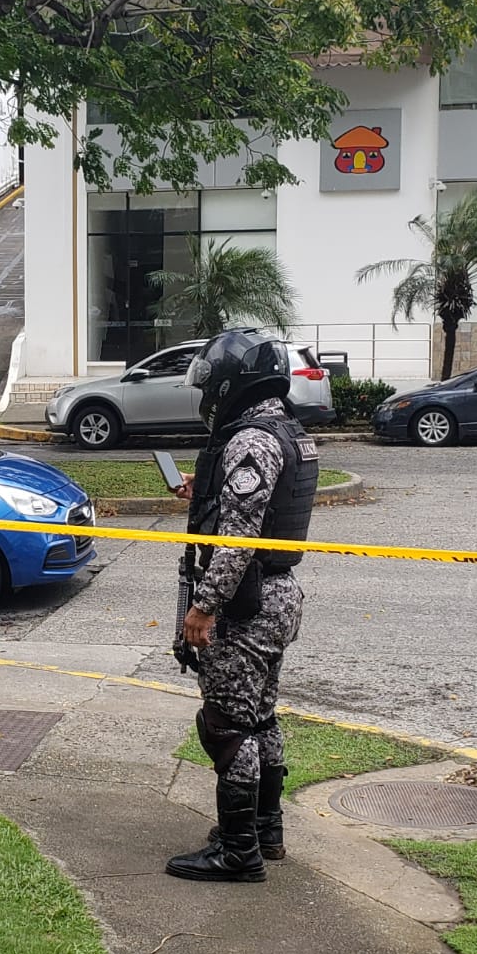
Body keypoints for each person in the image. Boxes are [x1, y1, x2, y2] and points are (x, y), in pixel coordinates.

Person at [166, 329, 319, 883]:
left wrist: (203, 609)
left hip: (245, 604)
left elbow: (238, 541)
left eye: (213, 386)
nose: (209, 397)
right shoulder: (287, 430)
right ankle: (265, 830)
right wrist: (201, 488)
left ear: (233, 385)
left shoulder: (249, 441)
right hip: (278, 599)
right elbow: (258, 507)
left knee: (227, 726)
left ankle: (237, 851)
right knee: (261, 715)